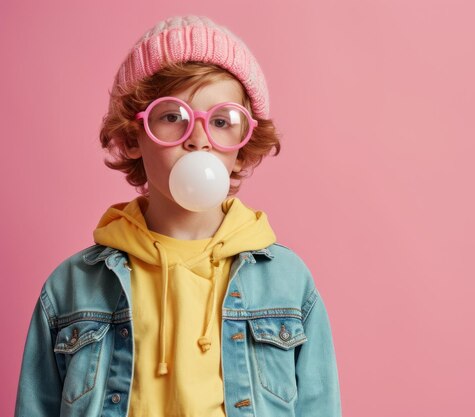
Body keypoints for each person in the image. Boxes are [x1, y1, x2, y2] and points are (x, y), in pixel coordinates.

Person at [14, 15, 341, 417]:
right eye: (173, 117)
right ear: (133, 136)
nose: (199, 139)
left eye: (221, 122)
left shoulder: (290, 285)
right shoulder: (71, 288)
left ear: (242, 145)